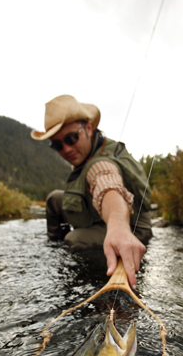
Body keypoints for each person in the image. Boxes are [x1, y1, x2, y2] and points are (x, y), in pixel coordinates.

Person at [31, 95, 152, 289]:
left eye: (71, 138)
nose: (66, 149)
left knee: (74, 239)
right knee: (54, 199)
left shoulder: (100, 162)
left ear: (88, 128)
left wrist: (118, 228)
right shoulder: (85, 153)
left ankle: (98, 271)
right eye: (57, 144)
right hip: (98, 214)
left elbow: (106, 182)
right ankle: (56, 250)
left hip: (134, 226)